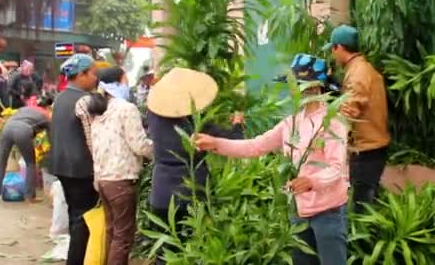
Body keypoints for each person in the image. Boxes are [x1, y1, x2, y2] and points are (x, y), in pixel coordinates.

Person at [194, 54, 348, 265]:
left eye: (298, 84)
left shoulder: (332, 122)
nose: (294, 90)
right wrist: (216, 143)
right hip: (300, 212)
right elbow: (255, 146)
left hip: (328, 214)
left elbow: (336, 168)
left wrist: (311, 181)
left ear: (314, 87)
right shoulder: (291, 123)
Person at [146, 67, 243, 265]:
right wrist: (238, 124)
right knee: (194, 250)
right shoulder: (196, 123)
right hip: (192, 192)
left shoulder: (153, 116)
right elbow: (232, 141)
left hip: (161, 192)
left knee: (165, 255)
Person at [85, 68, 153, 265]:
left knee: (112, 232)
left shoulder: (98, 109)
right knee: (123, 237)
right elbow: (139, 145)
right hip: (121, 181)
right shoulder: (126, 109)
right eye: (125, 81)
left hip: (104, 181)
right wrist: (160, 151)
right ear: (118, 83)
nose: (127, 85)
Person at [324, 25, 390, 212]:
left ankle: (366, 239)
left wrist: (322, 130)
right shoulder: (360, 68)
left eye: (333, 49)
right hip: (371, 145)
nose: (332, 54)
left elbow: (350, 109)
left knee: (363, 206)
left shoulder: (358, 73)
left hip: (367, 148)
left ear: (339, 47)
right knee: (366, 199)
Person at [50, 54, 98, 265]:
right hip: (81, 168)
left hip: (62, 165)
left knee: (74, 216)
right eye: (93, 74)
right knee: (82, 219)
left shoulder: (60, 97)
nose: (95, 78)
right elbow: (92, 137)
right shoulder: (84, 100)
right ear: (81, 75)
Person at [0, 95, 54, 203]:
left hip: (7, 129)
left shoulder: (24, 109)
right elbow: (52, 137)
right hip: (23, 131)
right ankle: (30, 196)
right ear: (47, 107)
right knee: (30, 164)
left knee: (1, 163)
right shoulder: (46, 116)